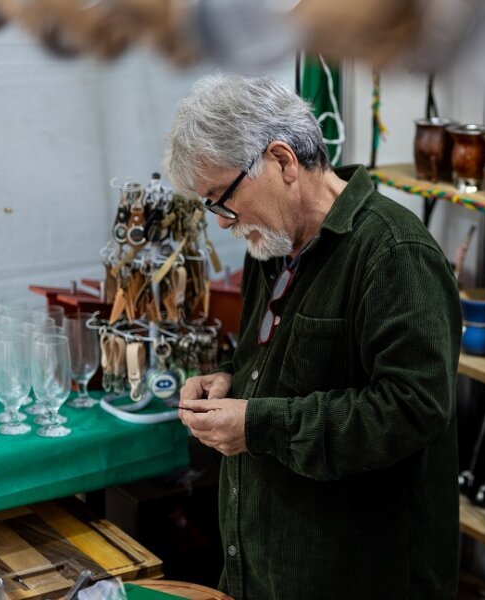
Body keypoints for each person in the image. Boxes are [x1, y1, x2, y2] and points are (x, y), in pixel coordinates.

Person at [163, 74, 461, 599]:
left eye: (223, 200)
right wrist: (231, 383)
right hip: (274, 571)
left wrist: (259, 426)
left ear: (282, 161)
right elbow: (286, 369)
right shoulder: (272, 246)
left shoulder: (393, 254)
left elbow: (411, 410)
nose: (223, 224)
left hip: (357, 578)